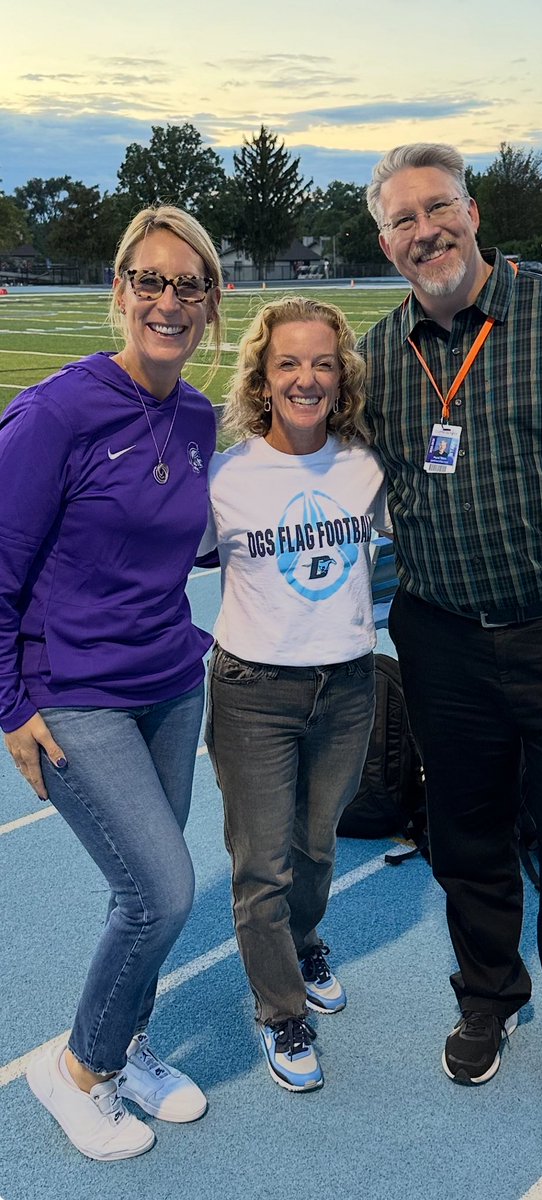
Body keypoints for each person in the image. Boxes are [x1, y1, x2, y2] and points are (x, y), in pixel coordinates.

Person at [359, 142, 542, 1096]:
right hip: (440, 638)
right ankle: (486, 996)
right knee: (466, 835)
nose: (425, 232)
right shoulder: (377, 354)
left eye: (437, 208)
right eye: (402, 221)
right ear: (385, 242)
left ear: (473, 211)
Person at [0, 205, 223, 1159]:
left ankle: (127, 1047)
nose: (167, 302)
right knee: (164, 893)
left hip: (171, 683)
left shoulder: (202, 416)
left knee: (137, 884)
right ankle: (77, 1067)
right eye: (150, 281)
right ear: (119, 292)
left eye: (188, 285)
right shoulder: (56, 411)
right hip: (75, 694)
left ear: (212, 304)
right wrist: (11, 708)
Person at [201, 296, 391, 1092]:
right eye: (289, 364)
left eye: (321, 363)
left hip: (348, 684)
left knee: (317, 849)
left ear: (339, 375)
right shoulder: (227, 474)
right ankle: (280, 1012)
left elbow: (394, 549)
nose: (305, 379)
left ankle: (305, 943)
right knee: (261, 867)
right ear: (263, 375)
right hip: (253, 692)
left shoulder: (365, 463)